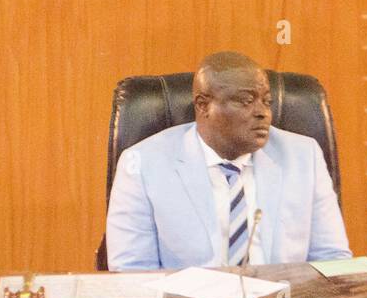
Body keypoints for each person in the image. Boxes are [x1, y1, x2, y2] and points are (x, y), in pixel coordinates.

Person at [106, 51, 352, 271]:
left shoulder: (303, 155)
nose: (262, 112)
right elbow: (132, 271)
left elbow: (332, 259)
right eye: (245, 100)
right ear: (203, 106)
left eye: (266, 101)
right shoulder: (143, 164)